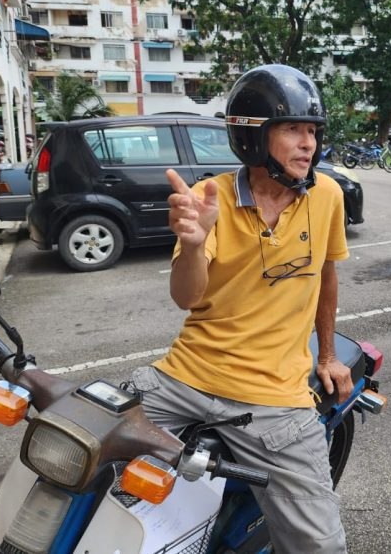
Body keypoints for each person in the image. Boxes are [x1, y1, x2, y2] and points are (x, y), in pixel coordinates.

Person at [130, 64, 353, 553]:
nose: (307, 143)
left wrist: (328, 355)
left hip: (276, 397)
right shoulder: (211, 198)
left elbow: (326, 276)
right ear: (253, 136)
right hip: (183, 377)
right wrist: (192, 244)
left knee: (321, 546)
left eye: (312, 130)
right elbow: (186, 297)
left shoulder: (329, 195)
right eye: (292, 128)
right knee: (85, 462)